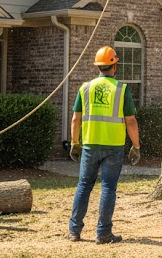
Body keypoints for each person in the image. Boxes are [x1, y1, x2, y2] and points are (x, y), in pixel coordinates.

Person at [68, 46, 141, 244]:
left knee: (84, 186)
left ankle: (74, 230)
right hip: (113, 146)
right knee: (108, 187)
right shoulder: (121, 89)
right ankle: (103, 233)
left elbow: (76, 119)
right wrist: (136, 146)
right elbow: (131, 121)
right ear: (114, 66)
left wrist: (75, 143)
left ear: (98, 66)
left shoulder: (85, 88)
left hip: (90, 144)